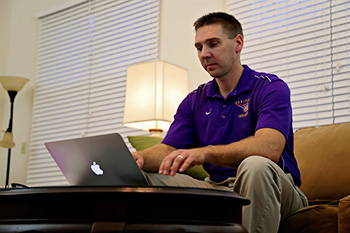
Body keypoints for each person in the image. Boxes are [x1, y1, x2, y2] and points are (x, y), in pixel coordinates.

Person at [132, 12, 308, 233]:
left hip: (278, 189)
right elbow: (168, 149)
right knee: (140, 178)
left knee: (255, 165)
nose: (205, 54)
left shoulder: (270, 87)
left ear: (238, 43)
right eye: (199, 47)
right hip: (217, 188)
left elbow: (269, 148)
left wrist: (205, 153)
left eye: (213, 44)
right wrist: (137, 159)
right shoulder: (194, 100)